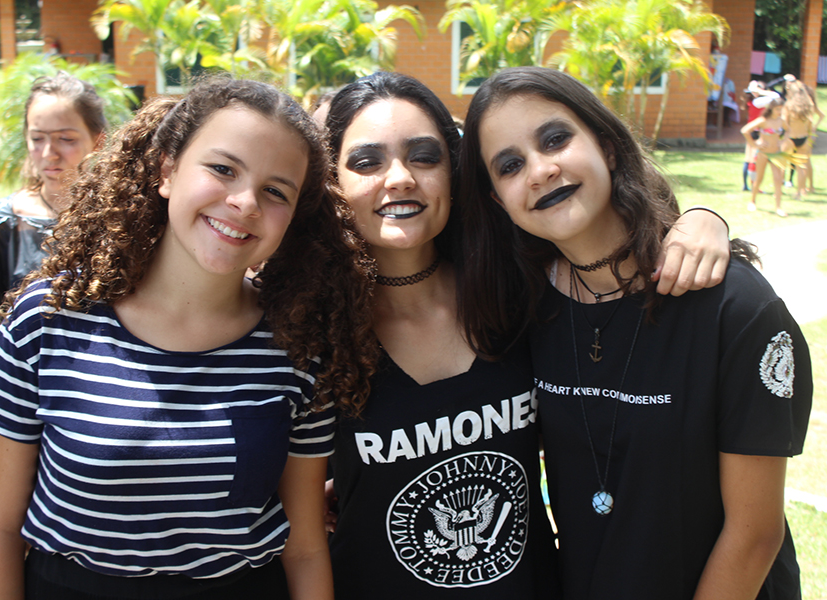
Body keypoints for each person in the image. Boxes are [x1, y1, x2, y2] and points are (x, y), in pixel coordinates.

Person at [323, 72, 731, 600]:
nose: (400, 178)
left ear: (456, 174)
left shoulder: (517, 291)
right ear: (331, 183)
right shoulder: (309, 327)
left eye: (424, 156)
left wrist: (704, 217)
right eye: (366, 162)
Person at [0, 76, 375, 599]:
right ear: (166, 169)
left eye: (276, 191)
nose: (245, 202)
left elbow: (305, 548)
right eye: (223, 169)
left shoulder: (298, 347)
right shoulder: (48, 320)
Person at [458, 66, 812, 600]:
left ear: (607, 146)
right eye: (510, 165)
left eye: (555, 140)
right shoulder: (520, 308)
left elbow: (754, 536)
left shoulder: (734, 307)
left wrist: (705, 215)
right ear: (496, 199)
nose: (540, 171)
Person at [0, 73, 106, 378]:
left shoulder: (119, 218)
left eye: (66, 139)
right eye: (37, 139)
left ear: (98, 141)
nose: (49, 153)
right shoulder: (1, 223)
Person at [742, 97, 788, 217]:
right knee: (759, 179)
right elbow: (745, 130)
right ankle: (752, 201)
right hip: (763, 153)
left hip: (776, 153)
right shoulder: (763, 120)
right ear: (771, 108)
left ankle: (778, 208)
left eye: (781, 109)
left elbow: (788, 131)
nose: (779, 111)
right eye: (777, 109)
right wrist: (754, 144)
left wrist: (783, 141)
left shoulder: (781, 121)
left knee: (778, 179)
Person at [782, 78, 819, 198]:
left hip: (791, 137)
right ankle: (800, 192)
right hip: (804, 138)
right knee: (801, 167)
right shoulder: (809, 105)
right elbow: (810, 124)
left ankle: (779, 190)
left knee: (782, 164)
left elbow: (784, 122)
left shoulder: (789, 105)